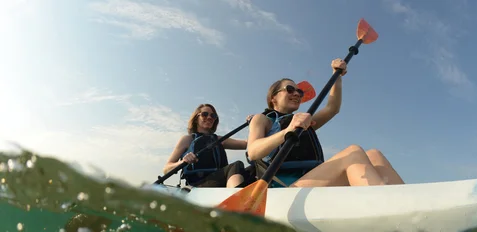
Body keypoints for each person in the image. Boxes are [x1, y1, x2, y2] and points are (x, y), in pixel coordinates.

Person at [246, 58, 405, 188]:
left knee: (374, 154)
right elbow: (253, 152)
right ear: (273, 97)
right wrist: (287, 132)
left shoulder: (303, 121)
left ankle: (409, 207)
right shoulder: (262, 119)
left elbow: (332, 108)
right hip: (283, 190)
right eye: (290, 89)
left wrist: (337, 77)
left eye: (299, 92)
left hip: (311, 181)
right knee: (353, 152)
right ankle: (382, 207)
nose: (296, 94)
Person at [164, 103, 249, 188]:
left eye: (213, 115)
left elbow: (247, 144)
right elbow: (166, 169)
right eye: (205, 114)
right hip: (198, 185)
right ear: (196, 118)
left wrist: (255, 123)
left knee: (252, 170)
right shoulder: (187, 139)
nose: (209, 117)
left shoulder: (219, 140)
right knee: (236, 165)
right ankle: (235, 199)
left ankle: (239, 197)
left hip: (219, 180)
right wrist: (183, 162)